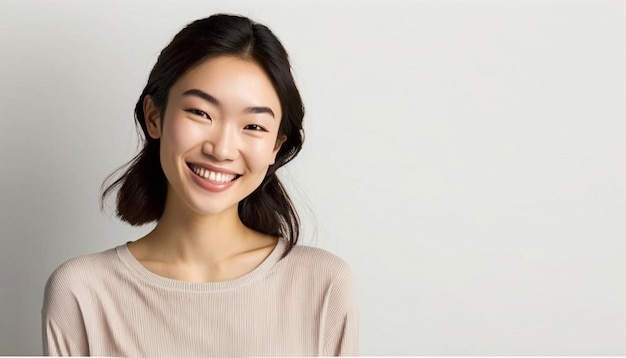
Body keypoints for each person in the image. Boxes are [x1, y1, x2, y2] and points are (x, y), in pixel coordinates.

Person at [41, 13, 358, 357]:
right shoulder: (82, 292)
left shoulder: (322, 285)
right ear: (154, 116)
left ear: (275, 147)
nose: (221, 149)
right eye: (201, 113)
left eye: (253, 127)